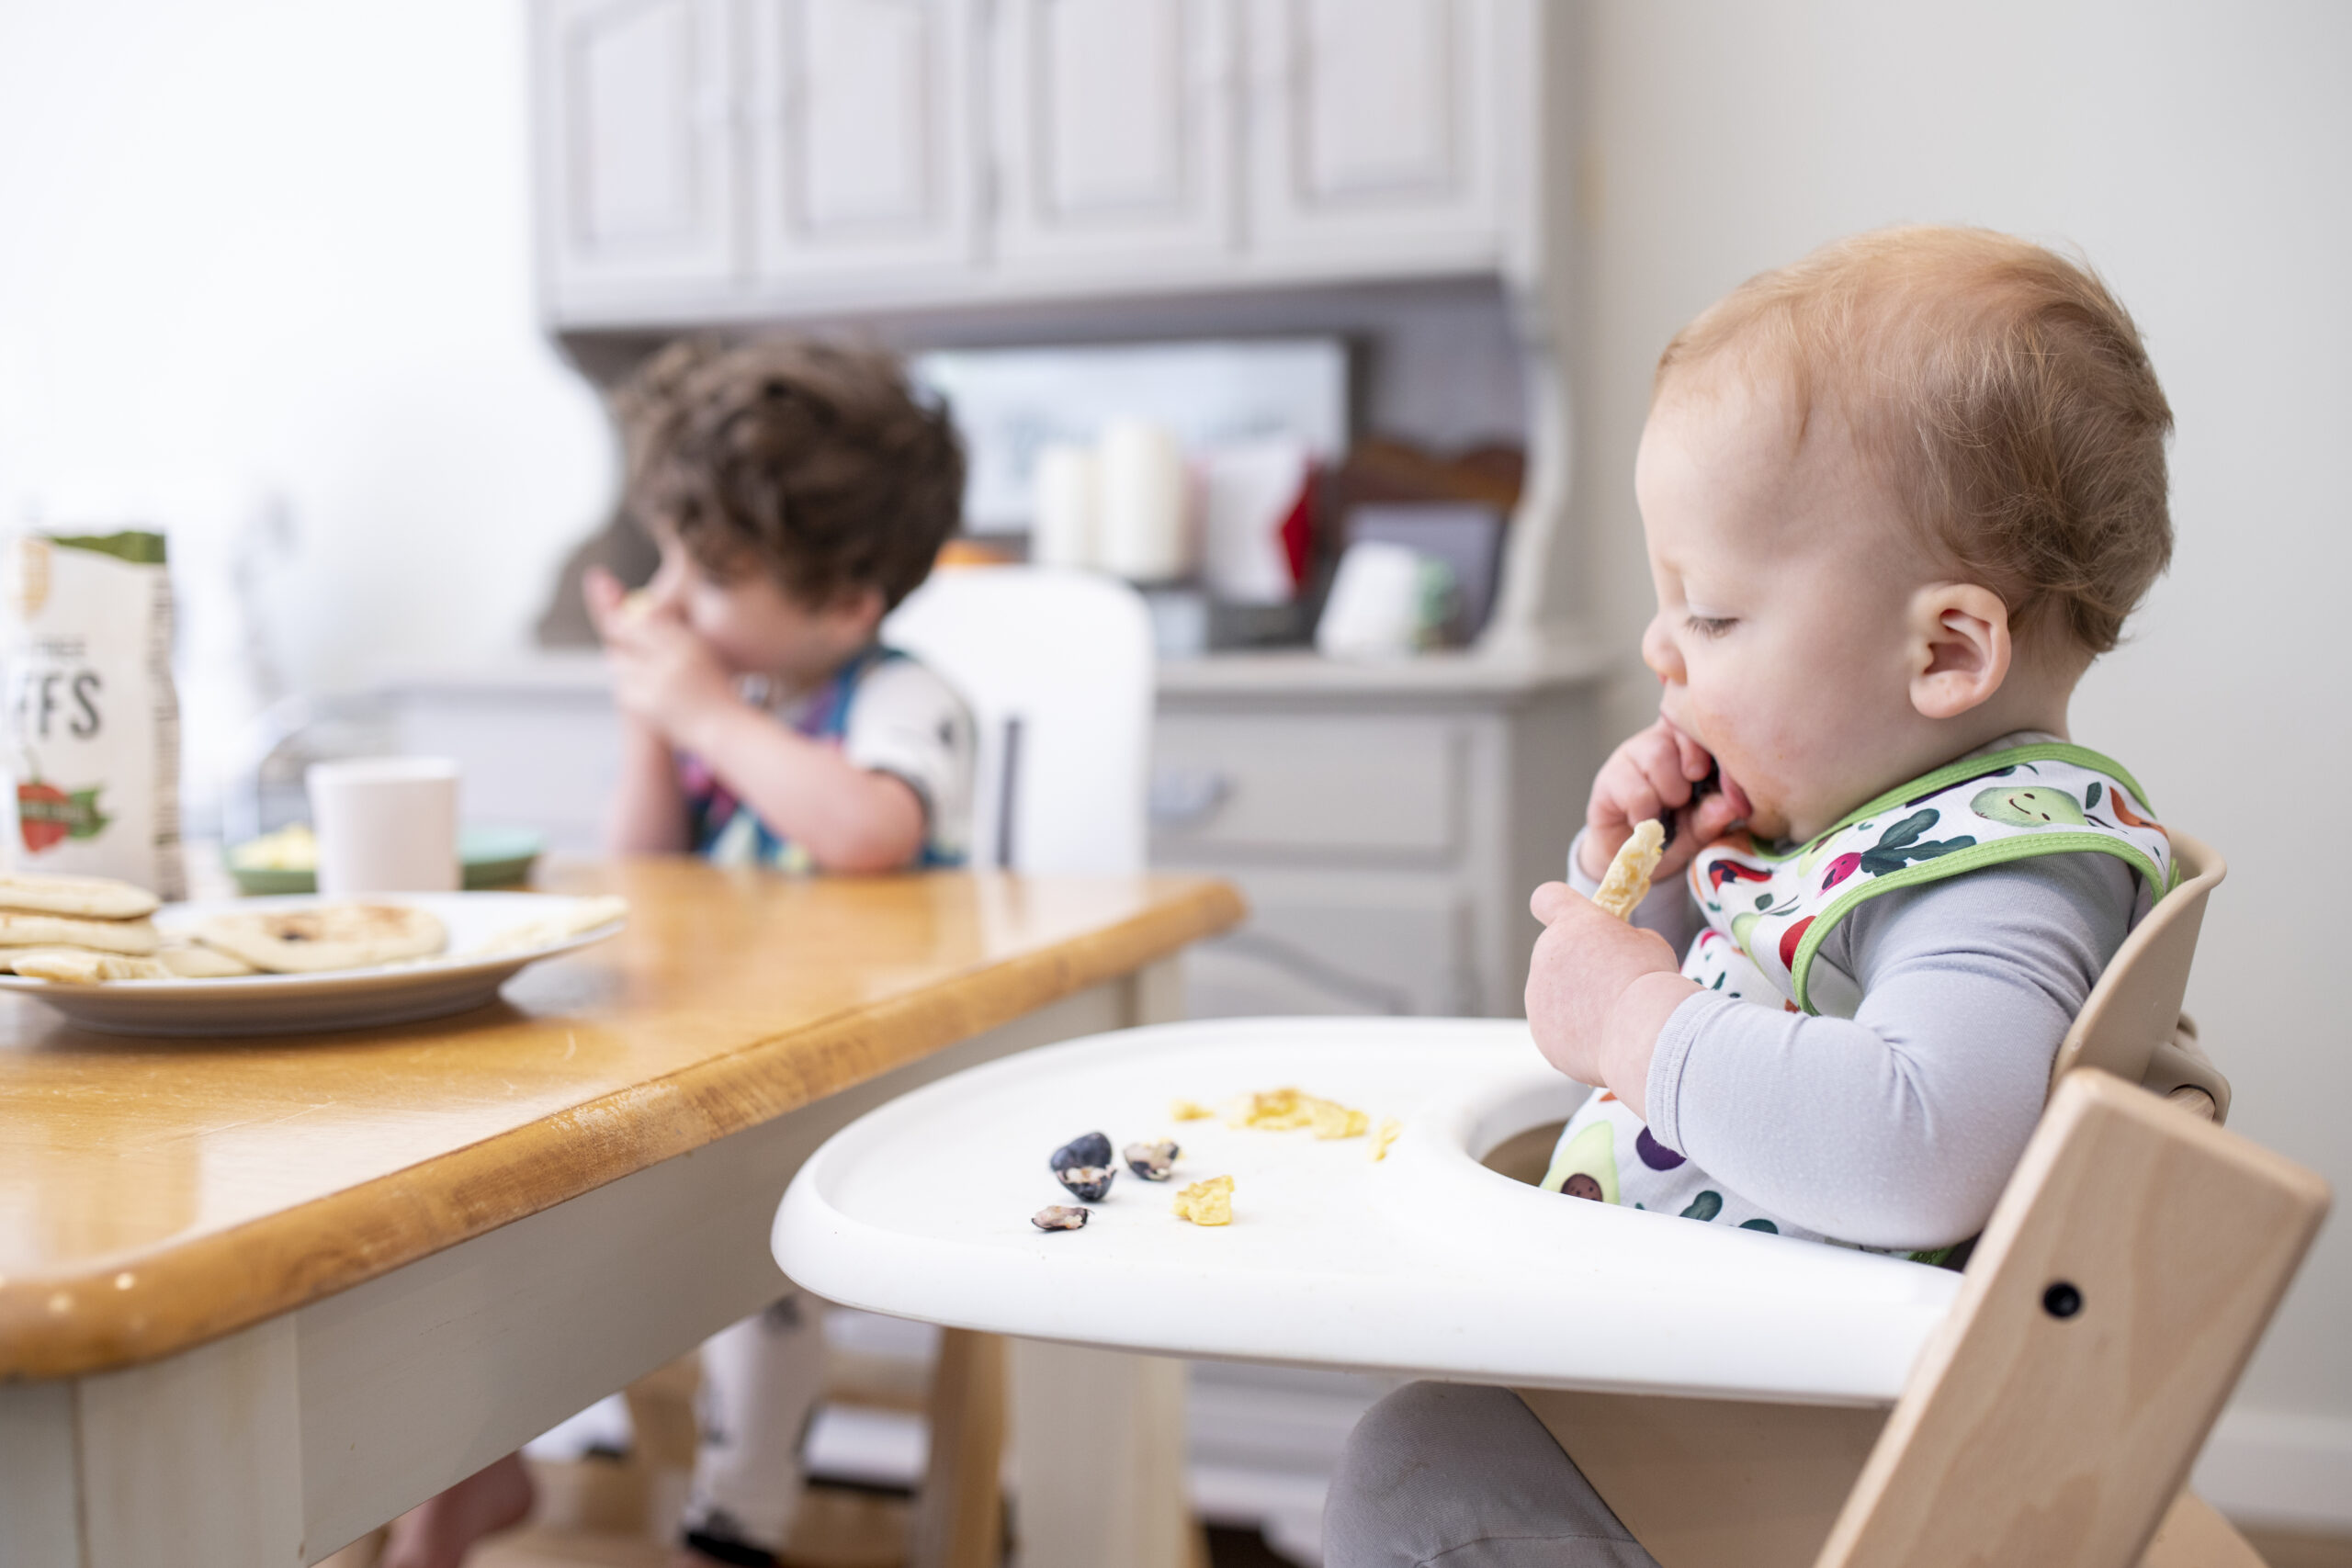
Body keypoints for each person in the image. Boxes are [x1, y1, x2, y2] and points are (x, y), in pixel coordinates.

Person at [1322, 226, 2179, 1566]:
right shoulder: (1873, 829)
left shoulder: (2004, 869)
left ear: (1945, 649)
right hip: (1720, 1367)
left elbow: (1921, 1145)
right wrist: (1656, 896)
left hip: (1797, 1449)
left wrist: (1635, 1025)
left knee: (1423, 1477)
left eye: (1712, 614)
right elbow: (1751, 1026)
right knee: (1425, 1443)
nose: (1661, 645)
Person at [382, 337, 973, 1568]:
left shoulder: (902, 701)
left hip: (857, 1094)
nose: (670, 601)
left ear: (847, 604)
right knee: (500, 1189)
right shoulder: (738, 714)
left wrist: (703, 711)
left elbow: (870, 830)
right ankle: (470, 1467)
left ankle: (735, 1527)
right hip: (713, 1073)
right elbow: (642, 863)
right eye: (666, 559)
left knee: (773, 1264)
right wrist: (657, 722)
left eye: (708, 573)